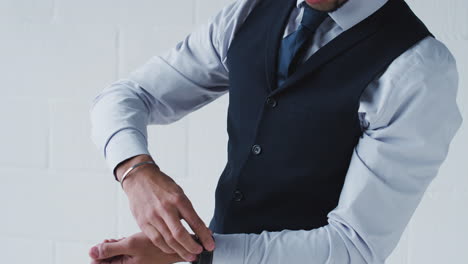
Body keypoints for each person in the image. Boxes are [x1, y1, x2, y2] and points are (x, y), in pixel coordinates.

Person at [88, 0, 463, 263]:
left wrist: (196, 253)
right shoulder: (249, 12)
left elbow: (354, 249)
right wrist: (135, 170)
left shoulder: (419, 70)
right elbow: (127, 95)